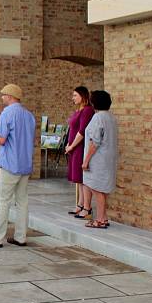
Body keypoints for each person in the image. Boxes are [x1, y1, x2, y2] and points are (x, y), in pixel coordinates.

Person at [0, 84, 36, 248]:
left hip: (10, 163)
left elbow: (2, 139)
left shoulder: (7, 113)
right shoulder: (29, 115)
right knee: (22, 201)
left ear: (10, 96)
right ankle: (20, 237)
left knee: (3, 201)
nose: (2, 97)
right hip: (25, 163)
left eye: (3, 95)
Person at [82, 91, 119, 229]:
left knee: (96, 188)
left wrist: (86, 160)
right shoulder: (111, 117)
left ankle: (99, 220)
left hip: (98, 159)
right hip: (109, 158)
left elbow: (94, 141)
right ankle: (103, 218)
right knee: (102, 189)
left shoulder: (97, 118)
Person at [64, 86, 95, 218]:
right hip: (74, 148)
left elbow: (82, 131)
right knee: (78, 178)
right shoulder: (79, 110)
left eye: (75, 95)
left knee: (82, 178)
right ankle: (80, 204)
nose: (73, 98)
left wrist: (71, 146)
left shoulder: (87, 111)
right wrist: (68, 144)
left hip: (80, 148)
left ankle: (86, 207)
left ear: (83, 96)